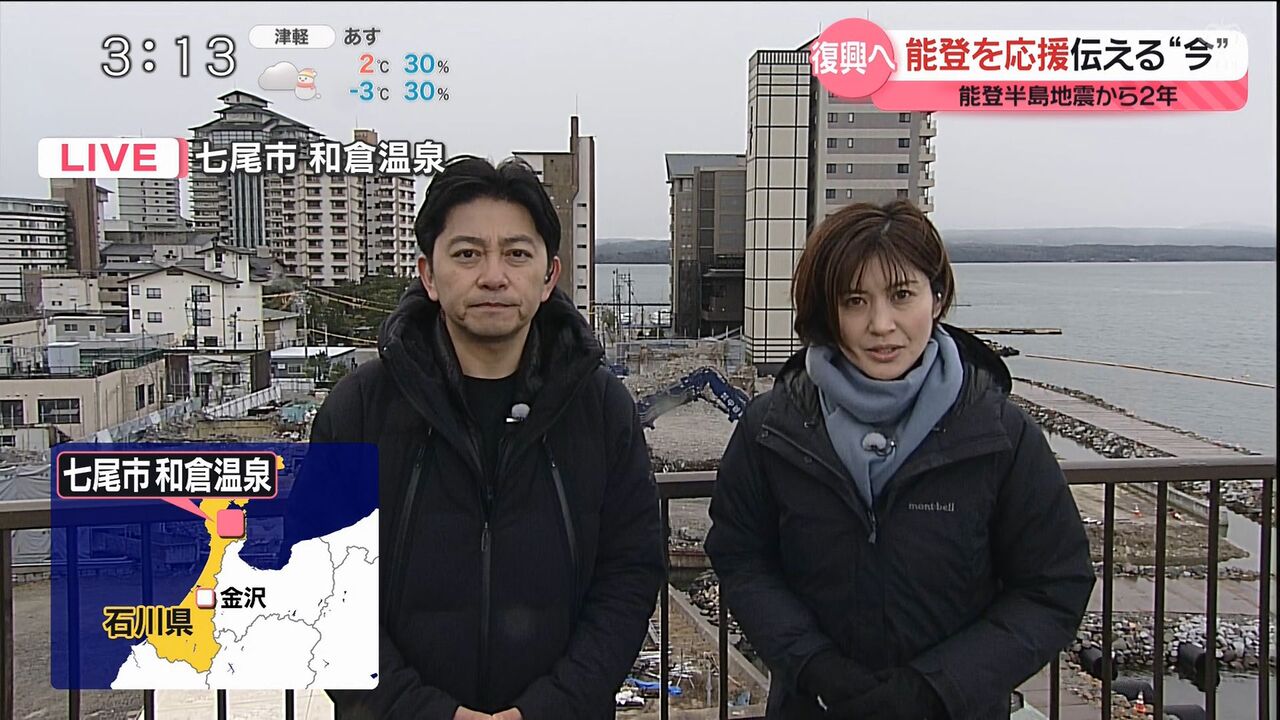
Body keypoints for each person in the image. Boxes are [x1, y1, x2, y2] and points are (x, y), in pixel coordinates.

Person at [704, 201, 1095, 720]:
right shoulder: (772, 429)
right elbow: (741, 559)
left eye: (901, 295)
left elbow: (1054, 585)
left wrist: (936, 688)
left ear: (937, 297)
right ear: (827, 313)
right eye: (855, 301)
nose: (881, 324)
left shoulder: (999, 434)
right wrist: (814, 666)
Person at [313, 156, 666, 719]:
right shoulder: (359, 411)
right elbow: (324, 594)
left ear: (549, 276)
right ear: (429, 275)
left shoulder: (601, 409)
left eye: (517, 254)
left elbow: (630, 574)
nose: (494, 276)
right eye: (467, 254)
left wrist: (548, 709)